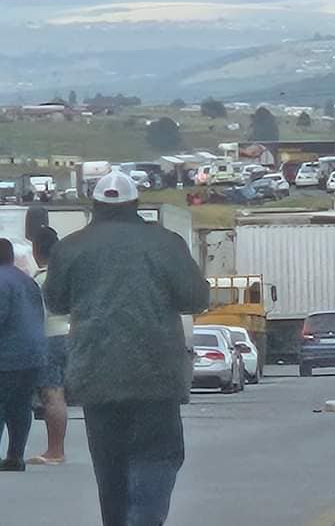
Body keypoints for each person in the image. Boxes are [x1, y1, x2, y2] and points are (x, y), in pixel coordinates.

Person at [45, 167, 210, 525]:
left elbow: (56, 301)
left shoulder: (70, 248)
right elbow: (195, 298)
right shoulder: (166, 243)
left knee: (109, 467)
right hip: (156, 375)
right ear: (136, 204)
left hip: (96, 376)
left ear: (95, 205)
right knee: (157, 456)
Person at [0, 238, 47, 472]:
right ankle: (15, 455)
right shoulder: (28, 281)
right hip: (33, 353)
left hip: (7, 354)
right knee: (20, 405)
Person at [27, 226, 70, 466]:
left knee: (52, 394)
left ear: (36, 250)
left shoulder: (40, 279)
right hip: (70, 335)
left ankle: (55, 450)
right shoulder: (66, 275)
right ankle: (56, 449)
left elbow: (37, 315)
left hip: (50, 338)